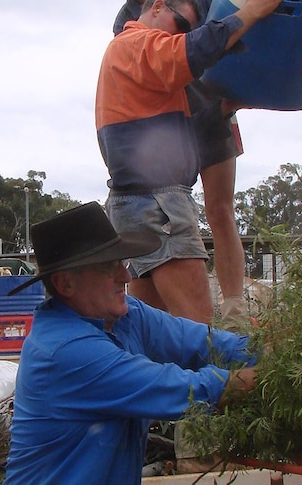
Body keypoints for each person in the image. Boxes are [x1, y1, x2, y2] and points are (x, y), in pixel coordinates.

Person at [3, 202, 257, 485]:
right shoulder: (65, 352)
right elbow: (186, 391)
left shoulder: (126, 315)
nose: (125, 276)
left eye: (121, 263)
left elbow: (203, 342)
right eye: (107, 267)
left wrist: (267, 350)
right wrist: (258, 379)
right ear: (65, 284)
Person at [96, 0, 281, 324]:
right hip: (158, 206)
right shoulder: (138, 44)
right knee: (198, 334)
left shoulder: (133, 59)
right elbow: (196, 49)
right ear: (156, 6)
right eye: (181, 23)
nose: (184, 33)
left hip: (132, 209)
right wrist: (253, 11)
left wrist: (223, 107)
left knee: (155, 336)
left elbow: (174, 132)